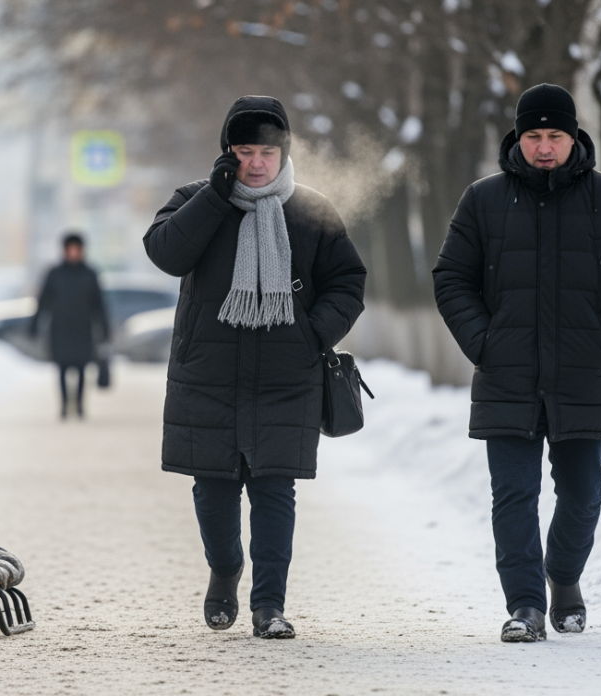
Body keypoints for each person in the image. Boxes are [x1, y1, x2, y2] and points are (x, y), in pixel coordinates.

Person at [433, 84, 601, 642]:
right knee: (514, 495)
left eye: (553, 136)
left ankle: (563, 578)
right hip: (507, 376)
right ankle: (526, 607)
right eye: (533, 136)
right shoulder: (483, 200)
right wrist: (485, 344)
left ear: (573, 136)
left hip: (585, 376)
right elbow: (451, 278)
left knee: (582, 495)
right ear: (518, 137)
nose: (543, 147)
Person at [144, 96, 366, 639]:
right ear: (227, 154)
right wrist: (216, 199)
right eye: (244, 151)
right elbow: (166, 253)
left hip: (285, 377)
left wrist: (310, 334)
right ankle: (225, 570)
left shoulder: (311, 209)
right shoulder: (194, 200)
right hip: (208, 375)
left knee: (274, 490)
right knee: (213, 490)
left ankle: (270, 605)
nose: (257, 163)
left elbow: (348, 282)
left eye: (267, 150)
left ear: (284, 150)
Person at [29, 233, 109, 419]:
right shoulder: (54, 274)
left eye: (77, 249)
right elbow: (43, 302)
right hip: (60, 329)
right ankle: (65, 405)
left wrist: (105, 328)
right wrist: (34, 325)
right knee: (62, 369)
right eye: (70, 249)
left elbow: (99, 304)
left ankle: (80, 405)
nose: (73, 253)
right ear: (65, 250)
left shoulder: (90, 274)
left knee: (82, 368)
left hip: (83, 329)